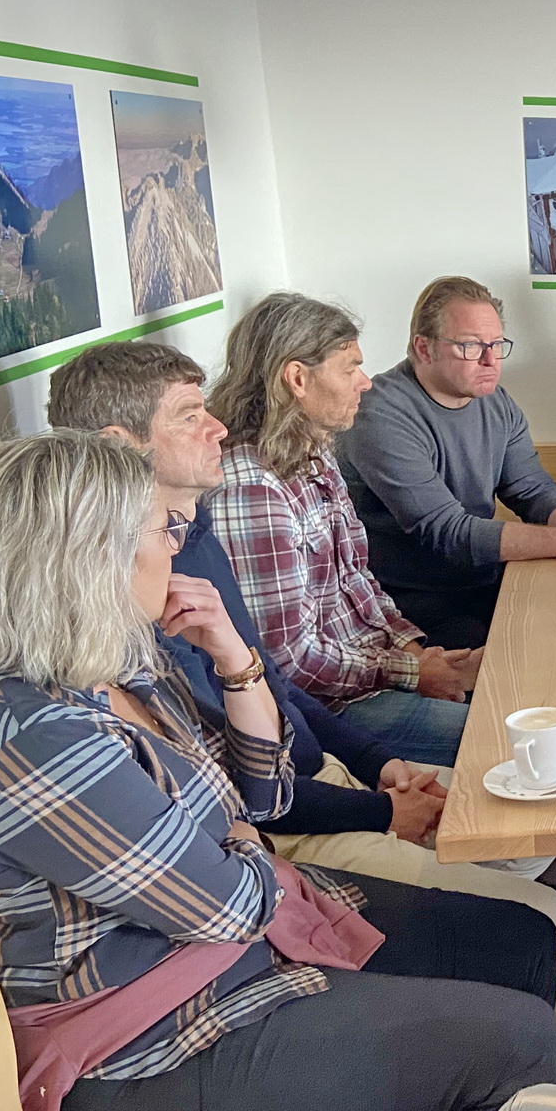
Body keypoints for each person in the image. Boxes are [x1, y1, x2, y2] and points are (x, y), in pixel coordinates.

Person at [0, 432, 556, 1111]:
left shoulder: (115, 665)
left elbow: (265, 794)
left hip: (230, 952)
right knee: (522, 1042)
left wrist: (234, 659)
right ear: (91, 559)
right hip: (150, 1050)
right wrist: (243, 845)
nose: (177, 544)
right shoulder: (26, 739)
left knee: (519, 941)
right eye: (161, 529)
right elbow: (228, 907)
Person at [47, 340, 556, 938]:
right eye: (189, 415)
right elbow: (239, 787)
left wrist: (380, 767)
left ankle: (467, 909)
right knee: (545, 917)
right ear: (120, 446)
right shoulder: (126, 586)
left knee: (541, 817)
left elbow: (277, 680)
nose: (216, 427)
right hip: (284, 826)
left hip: (322, 771)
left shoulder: (195, 533)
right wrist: (383, 810)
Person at [207, 292, 477, 768]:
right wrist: (412, 673)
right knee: (509, 733)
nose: (365, 382)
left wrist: (417, 653)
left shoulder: (312, 449)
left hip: (371, 675)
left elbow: (357, 580)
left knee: (524, 695)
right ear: (297, 379)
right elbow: (288, 661)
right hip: (329, 712)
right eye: (350, 368)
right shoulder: (251, 489)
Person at [338, 276, 556, 650]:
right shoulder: (380, 414)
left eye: (496, 345)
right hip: (409, 603)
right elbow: (445, 531)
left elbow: (532, 489)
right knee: (528, 656)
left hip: (483, 580)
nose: (490, 360)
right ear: (424, 348)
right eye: (471, 346)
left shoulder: (496, 402)